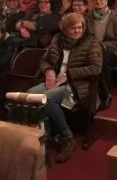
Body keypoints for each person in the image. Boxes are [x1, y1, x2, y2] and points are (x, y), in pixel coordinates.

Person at [27, 13, 102, 163]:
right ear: (65, 29)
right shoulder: (57, 40)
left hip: (78, 88)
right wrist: (49, 71)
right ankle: (44, 133)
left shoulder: (91, 42)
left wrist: (69, 75)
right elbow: (45, 60)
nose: (77, 31)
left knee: (47, 98)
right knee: (31, 94)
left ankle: (67, 138)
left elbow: (96, 68)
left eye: (80, 27)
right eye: (73, 28)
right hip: (54, 81)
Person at [86, 0, 117, 110]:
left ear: (106, 0)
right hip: (93, 50)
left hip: (113, 52)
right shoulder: (89, 16)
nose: (98, 1)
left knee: (101, 59)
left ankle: (106, 94)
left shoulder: (116, 17)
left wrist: (102, 45)